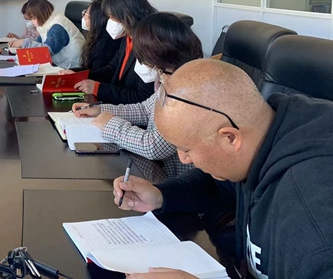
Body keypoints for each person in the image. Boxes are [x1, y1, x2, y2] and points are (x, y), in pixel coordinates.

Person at [113, 59, 333, 279]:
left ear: (230, 138)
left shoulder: (311, 225)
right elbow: (221, 184)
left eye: (186, 149)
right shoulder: (266, 129)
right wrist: (161, 195)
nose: (183, 159)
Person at [73, 13, 203, 180]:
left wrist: (111, 125)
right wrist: (100, 109)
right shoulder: (168, 76)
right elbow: (144, 109)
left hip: (182, 181)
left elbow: (154, 146)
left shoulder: (187, 90)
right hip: (162, 172)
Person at [74, 0, 157, 104]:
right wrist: (77, 77)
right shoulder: (128, 38)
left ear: (127, 16)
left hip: (130, 110)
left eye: (112, 17)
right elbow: (112, 69)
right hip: (116, 104)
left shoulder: (149, 46)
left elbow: (143, 98)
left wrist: (97, 88)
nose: (109, 22)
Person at [9, 0, 85, 69]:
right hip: (62, 65)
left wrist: (24, 43)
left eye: (33, 18)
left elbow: (47, 51)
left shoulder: (57, 27)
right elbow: (39, 42)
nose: (32, 22)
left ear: (41, 14)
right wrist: (22, 44)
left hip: (72, 68)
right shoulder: (47, 23)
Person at [79, 0, 121, 71]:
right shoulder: (94, 36)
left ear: (95, 18)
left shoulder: (104, 43)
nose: (83, 16)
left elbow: (96, 72)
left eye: (85, 13)